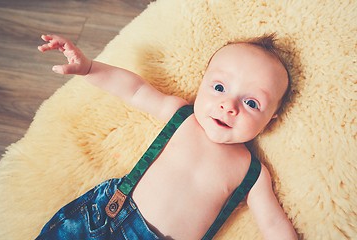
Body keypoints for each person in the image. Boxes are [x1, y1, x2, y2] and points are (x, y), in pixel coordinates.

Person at [36, 33, 297, 240]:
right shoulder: (182, 118)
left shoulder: (252, 172)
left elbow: (273, 225)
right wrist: (89, 68)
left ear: (271, 118)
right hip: (104, 220)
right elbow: (135, 90)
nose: (229, 106)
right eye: (219, 88)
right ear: (202, 83)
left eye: (251, 103)